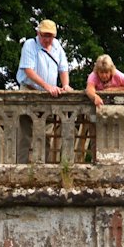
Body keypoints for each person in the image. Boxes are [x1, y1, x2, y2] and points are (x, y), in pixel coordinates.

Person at [16, 19, 73, 163]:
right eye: (44, 36)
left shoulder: (57, 46)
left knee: (46, 134)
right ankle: (21, 167)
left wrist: (65, 85)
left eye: (50, 36)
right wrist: (48, 86)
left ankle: (44, 167)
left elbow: (63, 68)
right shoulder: (30, 45)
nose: (47, 39)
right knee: (25, 133)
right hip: (29, 91)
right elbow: (29, 70)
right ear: (38, 33)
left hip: (48, 97)